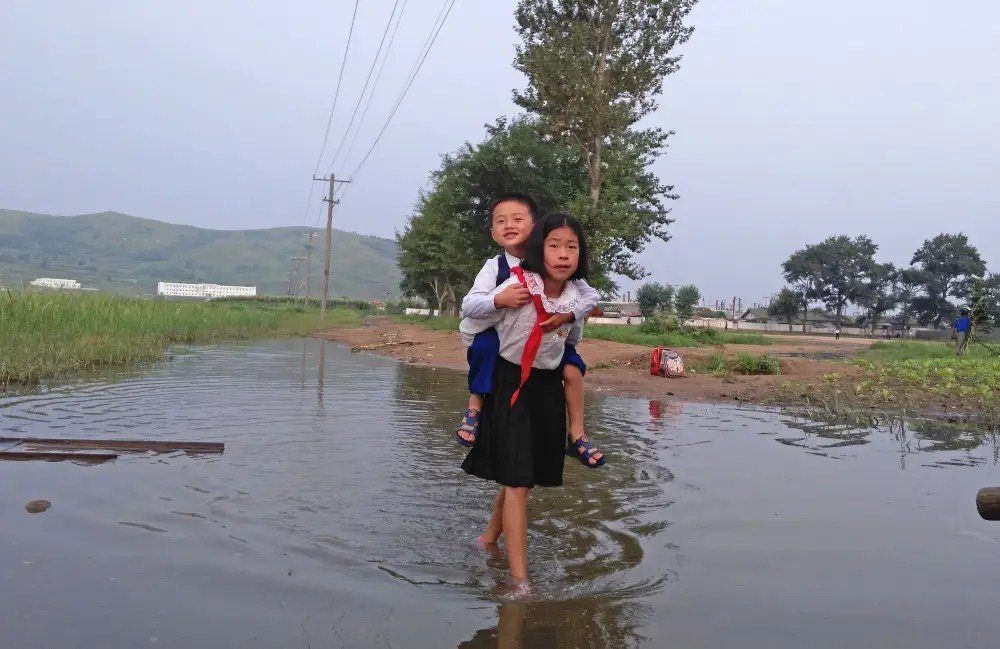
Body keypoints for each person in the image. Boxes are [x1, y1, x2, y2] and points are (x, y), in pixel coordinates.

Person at [459, 211, 593, 588]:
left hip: (546, 387)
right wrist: (499, 304)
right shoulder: (517, 285)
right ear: (539, 249)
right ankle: (521, 583)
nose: (563, 254)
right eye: (554, 246)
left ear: (580, 255)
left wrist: (564, 320)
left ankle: (488, 539)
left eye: (572, 247)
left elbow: (572, 341)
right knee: (517, 483)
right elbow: (474, 318)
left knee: (523, 478)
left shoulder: (575, 299)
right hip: (509, 383)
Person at [455, 193, 605, 467]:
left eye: (517, 219)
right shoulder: (497, 269)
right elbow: (470, 306)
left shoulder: (556, 264)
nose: (509, 225)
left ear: (536, 228)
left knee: (572, 370)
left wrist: (568, 314)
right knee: (485, 349)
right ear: (492, 232)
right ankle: (475, 408)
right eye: (501, 221)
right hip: (502, 339)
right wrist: (499, 300)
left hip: (550, 342)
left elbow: (589, 295)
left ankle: (577, 433)